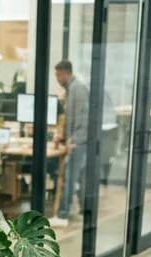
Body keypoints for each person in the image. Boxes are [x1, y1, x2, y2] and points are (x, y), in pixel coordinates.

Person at [54, 60, 90, 224]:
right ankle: (85, 209)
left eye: (58, 75)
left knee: (69, 177)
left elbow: (83, 119)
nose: (57, 79)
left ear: (66, 73)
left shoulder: (78, 89)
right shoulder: (70, 90)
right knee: (79, 177)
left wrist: (74, 141)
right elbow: (70, 118)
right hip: (73, 140)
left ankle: (62, 213)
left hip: (78, 142)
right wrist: (62, 137)